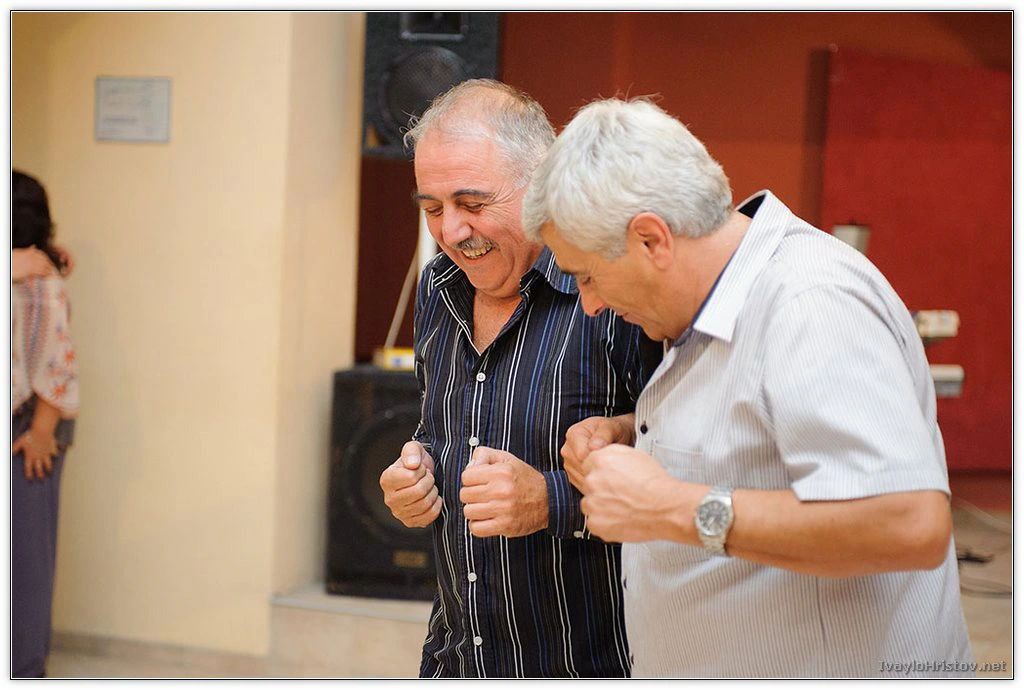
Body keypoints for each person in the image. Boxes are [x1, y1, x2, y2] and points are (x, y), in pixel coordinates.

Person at [521, 98, 973, 678]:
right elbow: (761, 429)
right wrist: (638, 435)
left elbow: (908, 523)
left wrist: (670, 507)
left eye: (587, 275)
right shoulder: (709, 297)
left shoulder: (810, 302)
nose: (589, 304)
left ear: (652, 240)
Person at [378, 80, 661, 678]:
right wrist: (415, 475)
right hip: (455, 659)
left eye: (472, 204)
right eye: (433, 208)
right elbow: (441, 430)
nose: (451, 232)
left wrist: (552, 501)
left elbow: (682, 471)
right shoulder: (437, 287)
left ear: (540, 184)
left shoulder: (613, 291)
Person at [11, 170, 80, 678]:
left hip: (30, 425)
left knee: (24, 558)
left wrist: (41, 430)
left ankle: (24, 670)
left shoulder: (38, 278)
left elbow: (56, 356)